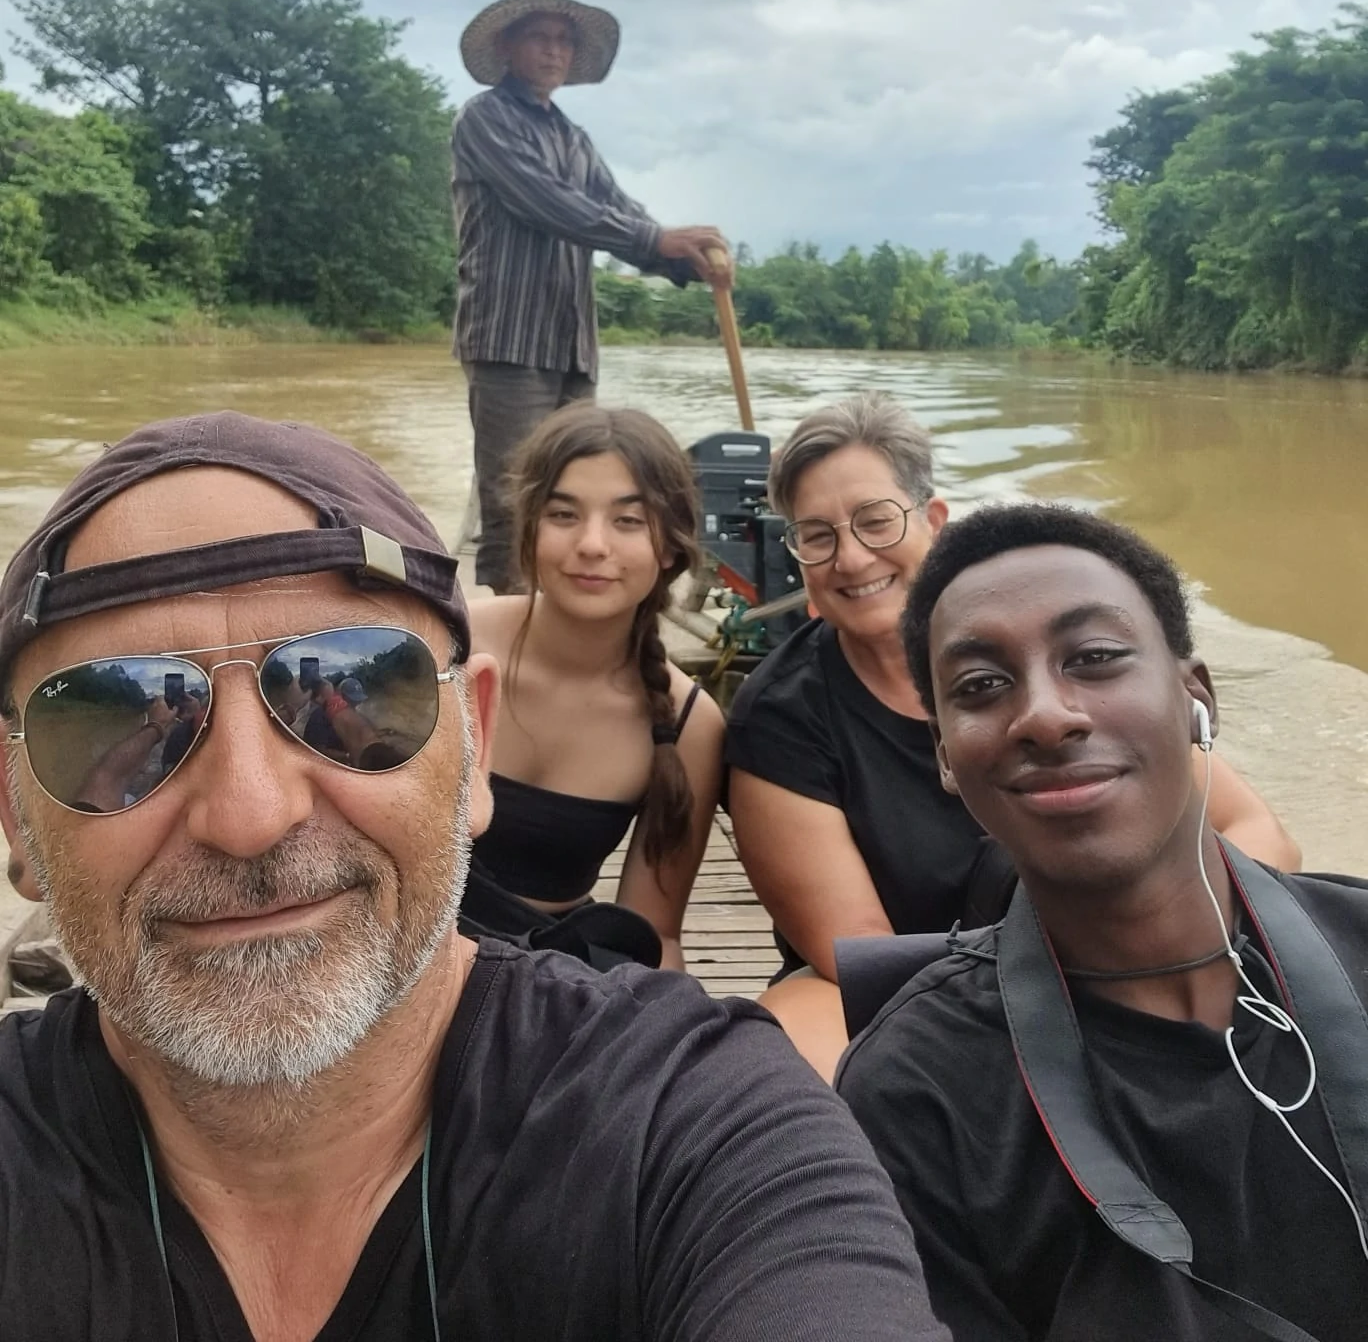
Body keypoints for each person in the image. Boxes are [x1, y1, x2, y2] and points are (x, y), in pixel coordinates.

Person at [0, 411, 948, 1342]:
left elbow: (656, 935)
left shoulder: (697, 1127)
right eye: (105, 711)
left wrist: (648, 1057)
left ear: (474, 737)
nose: (250, 818)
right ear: (14, 809)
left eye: (358, 683)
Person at [838, 503, 1368, 1342]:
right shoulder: (918, 1097)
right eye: (982, 687)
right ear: (945, 753)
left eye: (1094, 658)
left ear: (1197, 697)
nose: (1045, 716)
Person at [725, 392, 1302, 1080]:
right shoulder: (784, 713)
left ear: (932, 520)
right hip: (915, 980)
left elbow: (1263, 838)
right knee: (793, 1050)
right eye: (818, 535)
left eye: (876, 522)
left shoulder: (1043, 655)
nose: (851, 558)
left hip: (1109, 950)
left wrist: (1156, 931)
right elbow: (861, 947)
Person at [452, 0, 733, 594]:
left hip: (571, 344)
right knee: (512, 502)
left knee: (573, 493)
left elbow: (617, 208)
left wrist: (687, 261)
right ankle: (509, 643)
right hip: (509, 340)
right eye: (540, 37)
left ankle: (563, 622)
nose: (553, 51)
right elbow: (550, 204)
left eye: (563, 40)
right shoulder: (485, 118)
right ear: (507, 46)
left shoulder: (575, 139)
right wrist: (656, 239)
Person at [465, 404, 725, 972]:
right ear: (530, 526)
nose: (592, 544)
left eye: (628, 521)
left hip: (543, 982)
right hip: (395, 955)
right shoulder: (452, 640)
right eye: (563, 514)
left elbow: (654, 935)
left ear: (670, 546)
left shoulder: (688, 726)